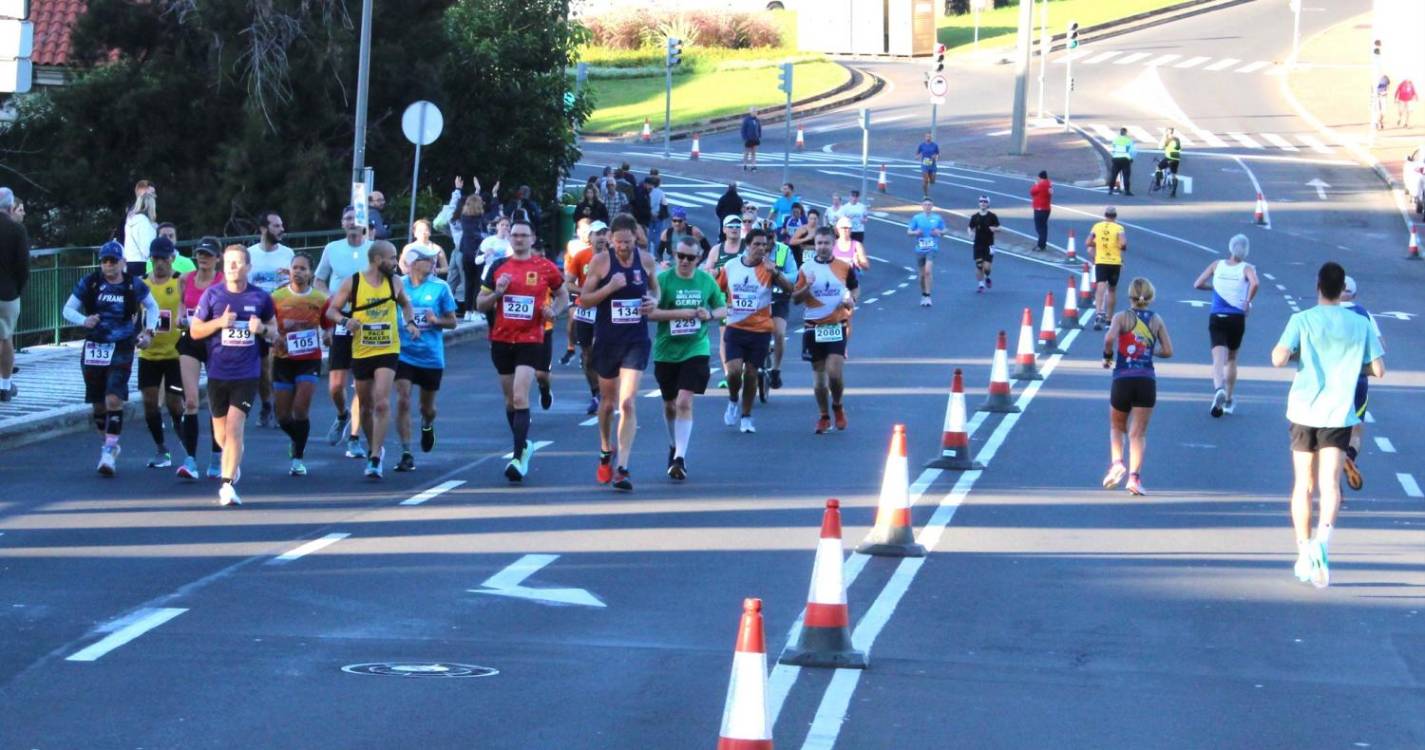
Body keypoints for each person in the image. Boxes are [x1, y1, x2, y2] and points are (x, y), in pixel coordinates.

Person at [1271, 262, 1385, 588]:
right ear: (1342, 290)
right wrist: (1352, 365)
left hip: (1304, 410)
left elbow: (1278, 358)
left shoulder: (1302, 320)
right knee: (1330, 484)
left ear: (1318, 286)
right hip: (1338, 412)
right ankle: (1323, 540)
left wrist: (1299, 355)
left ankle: (1304, 550)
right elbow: (1378, 369)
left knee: (1302, 484)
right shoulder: (1359, 323)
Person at [478, 219, 567, 482]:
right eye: (514, 235)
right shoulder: (497, 267)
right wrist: (498, 293)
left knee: (519, 397)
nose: (518, 239)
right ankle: (524, 445)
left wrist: (555, 311)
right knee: (509, 401)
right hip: (502, 338)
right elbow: (480, 304)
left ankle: (518, 457)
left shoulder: (545, 267)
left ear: (532, 238)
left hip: (531, 339)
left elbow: (563, 296)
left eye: (523, 235)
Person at [325, 241, 422, 479]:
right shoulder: (354, 282)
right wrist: (345, 321)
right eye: (391, 258)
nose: (395, 262)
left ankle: (376, 456)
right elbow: (332, 310)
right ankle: (373, 447)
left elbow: (406, 304)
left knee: (381, 402)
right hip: (361, 349)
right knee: (366, 406)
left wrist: (410, 322)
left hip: (388, 348)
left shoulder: (395, 282)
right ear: (377, 259)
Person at [62, 240, 160, 476]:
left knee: (114, 399)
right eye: (105, 261)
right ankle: (109, 444)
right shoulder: (91, 282)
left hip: (122, 346)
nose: (109, 266)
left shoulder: (132, 285)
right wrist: (84, 321)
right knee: (98, 404)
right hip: (95, 346)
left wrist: (148, 331)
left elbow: (153, 307)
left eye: (114, 261)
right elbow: (67, 310)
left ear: (122, 262)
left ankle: (109, 449)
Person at [188, 245, 275, 506]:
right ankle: (232, 459)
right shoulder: (212, 296)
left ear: (248, 267)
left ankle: (226, 485)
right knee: (221, 434)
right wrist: (219, 323)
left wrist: (261, 328)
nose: (231, 268)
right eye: (228, 263)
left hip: (247, 373)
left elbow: (275, 333)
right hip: (217, 371)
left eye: (237, 263)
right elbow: (195, 331)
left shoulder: (261, 298)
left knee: (235, 426)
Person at [578, 214, 658, 491]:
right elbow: (584, 300)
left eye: (628, 242)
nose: (624, 247)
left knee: (627, 403)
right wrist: (610, 288)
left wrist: (652, 302)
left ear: (636, 238)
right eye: (619, 242)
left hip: (636, 339)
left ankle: (623, 467)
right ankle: (604, 449)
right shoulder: (601, 262)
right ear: (611, 240)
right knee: (608, 404)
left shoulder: (645, 260)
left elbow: (656, 292)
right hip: (608, 340)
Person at [650, 235, 727, 480]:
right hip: (666, 350)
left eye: (689, 257)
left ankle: (680, 458)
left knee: (684, 402)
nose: (683, 261)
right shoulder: (663, 279)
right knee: (670, 405)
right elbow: (650, 313)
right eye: (679, 256)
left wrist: (710, 314)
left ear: (699, 258)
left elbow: (724, 307)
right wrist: (680, 313)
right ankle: (674, 445)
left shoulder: (705, 280)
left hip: (696, 347)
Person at [1100, 277, 1173, 497]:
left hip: (1122, 378)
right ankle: (1134, 479)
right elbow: (1168, 350)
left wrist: (1108, 357)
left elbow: (1109, 338)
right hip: (1146, 381)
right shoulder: (1156, 319)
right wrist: (1152, 352)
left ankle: (1117, 463)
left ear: (1130, 295)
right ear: (1150, 297)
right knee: (1138, 433)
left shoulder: (1121, 317)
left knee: (1116, 426)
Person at [717, 227, 793, 434]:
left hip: (760, 330)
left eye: (764, 245)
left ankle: (746, 416)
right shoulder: (731, 266)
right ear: (747, 246)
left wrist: (775, 272)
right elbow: (717, 289)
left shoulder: (769, 268)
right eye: (756, 244)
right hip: (735, 326)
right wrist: (717, 309)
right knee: (733, 372)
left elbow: (789, 289)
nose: (761, 248)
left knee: (751, 373)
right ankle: (733, 400)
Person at [315, 205, 373, 457]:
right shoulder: (332, 248)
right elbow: (319, 280)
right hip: (340, 317)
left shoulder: (374, 249)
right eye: (347, 218)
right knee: (336, 385)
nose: (351, 222)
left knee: (361, 384)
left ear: (364, 224)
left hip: (368, 318)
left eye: (356, 219)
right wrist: (330, 300)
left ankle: (354, 437)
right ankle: (342, 415)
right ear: (342, 223)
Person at [394, 247, 457, 472]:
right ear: (411, 264)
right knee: (403, 399)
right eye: (425, 260)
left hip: (430, 356)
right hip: (403, 353)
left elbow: (452, 322)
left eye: (433, 260)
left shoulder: (441, 287)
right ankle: (406, 452)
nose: (432, 263)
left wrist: (436, 321)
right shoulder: (397, 285)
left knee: (427, 408)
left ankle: (427, 425)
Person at [270, 253, 328, 477]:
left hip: (309, 359)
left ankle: (298, 457)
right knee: (283, 416)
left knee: (301, 409)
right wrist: (274, 335)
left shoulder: (320, 299)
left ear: (311, 272)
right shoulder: (277, 297)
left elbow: (328, 323)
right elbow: (269, 323)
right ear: (289, 270)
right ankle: (296, 437)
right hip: (283, 359)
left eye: (303, 268)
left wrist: (329, 335)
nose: (298, 272)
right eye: (295, 267)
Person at [795, 227, 856, 433]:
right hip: (813, 328)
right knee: (820, 380)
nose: (822, 247)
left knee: (835, 373)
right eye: (819, 243)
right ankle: (823, 415)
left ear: (833, 244)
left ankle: (837, 406)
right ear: (815, 245)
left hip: (836, 326)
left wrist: (850, 299)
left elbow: (854, 288)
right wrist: (806, 286)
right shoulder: (806, 268)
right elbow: (795, 299)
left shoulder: (844, 266)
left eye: (826, 243)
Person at [1193, 233, 1258, 417]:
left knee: (1217, 359)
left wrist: (1214, 288)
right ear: (1246, 251)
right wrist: (1247, 300)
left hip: (1217, 315)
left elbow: (1197, 284)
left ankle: (1218, 389)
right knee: (1232, 358)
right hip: (1236, 317)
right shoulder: (1247, 268)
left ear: (1230, 248)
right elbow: (1255, 283)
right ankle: (1228, 398)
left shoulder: (1216, 265)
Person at [175, 237, 224, 479]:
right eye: (199, 253)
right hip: (191, 340)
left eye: (208, 254)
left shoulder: (222, 281)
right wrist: (181, 318)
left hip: (216, 342)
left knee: (217, 404)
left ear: (218, 258)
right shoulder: (185, 279)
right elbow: (182, 306)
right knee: (191, 401)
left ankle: (217, 456)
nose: (202, 257)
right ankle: (190, 460)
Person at [136, 237, 186, 469]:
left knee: (175, 403)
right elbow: (134, 317)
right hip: (149, 354)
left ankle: (186, 441)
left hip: (175, 354)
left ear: (172, 258)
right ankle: (161, 448)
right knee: (149, 402)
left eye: (164, 258)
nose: (159, 263)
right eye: (155, 258)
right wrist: (137, 336)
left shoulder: (180, 282)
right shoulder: (141, 284)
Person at [247, 209, 294, 428]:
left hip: (281, 316)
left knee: (277, 364)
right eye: (276, 226)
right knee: (262, 368)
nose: (281, 229)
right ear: (264, 228)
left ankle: (279, 406)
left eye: (281, 225)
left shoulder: (288, 254)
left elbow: (296, 284)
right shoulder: (250, 254)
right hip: (256, 318)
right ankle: (266, 402)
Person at [1340, 276, 1385, 492]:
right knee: (1356, 427)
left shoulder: (1321, 313)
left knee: (1326, 429)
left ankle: (1330, 480)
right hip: (1357, 378)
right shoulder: (1363, 314)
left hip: (1327, 380)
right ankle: (1348, 457)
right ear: (1354, 294)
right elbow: (1380, 345)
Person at [565, 221, 606, 414]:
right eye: (597, 234)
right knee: (588, 355)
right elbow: (568, 283)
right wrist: (586, 292)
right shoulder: (581, 256)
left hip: (605, 312)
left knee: (601, 350)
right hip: (585, 310)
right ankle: (596, 393)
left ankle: (607, 389)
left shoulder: (614, 258)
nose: (601, 237)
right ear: (590, 238)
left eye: (604, 233)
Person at [0, 187, 27, 402]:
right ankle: (5, 385)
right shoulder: (16, 230)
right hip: (8, 293)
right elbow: (23, 267)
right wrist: (18, 289)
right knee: (6, 337)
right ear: (11, 207)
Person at [1086, 206, 1126, 330]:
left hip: (1101, 261)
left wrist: (1097, 244)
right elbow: (1123, 243)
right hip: (1114, 262)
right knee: (1112, 290)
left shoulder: (1097, 226)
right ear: (1115, 216)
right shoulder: (1119, 228)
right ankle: (1109, 319)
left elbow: (1088, 242)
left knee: (1100, 287)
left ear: (1105, 215)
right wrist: (1120, 247)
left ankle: (1099, 313)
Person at [906, 198, 947, 306]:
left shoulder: (937, 218)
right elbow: (909, 232)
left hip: (932, 247)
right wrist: (916, 232)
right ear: (922, 206)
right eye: (926, 204)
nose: (928, 206)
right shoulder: (917, 218)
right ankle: (923, 294)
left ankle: (928, 296)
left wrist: (939, 232)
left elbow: (945, 231)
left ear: (932, 206)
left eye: (929, 204)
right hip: (920, 248)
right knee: (922, 275)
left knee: (928, 271)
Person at [967, 195, 1000, 293]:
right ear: (979, 203)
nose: (983, 203)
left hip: (989, 244)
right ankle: (981, 285)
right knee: (979, 265)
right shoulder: (975, 217)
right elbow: (970, 227)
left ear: (988, 204)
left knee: (987, 267)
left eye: (985, 202)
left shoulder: (992, 216)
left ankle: (987, 276)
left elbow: (999, 228)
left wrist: (995, 229)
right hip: (978, 244)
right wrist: (970, 233)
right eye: (981, 201)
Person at [123, 191, 158, 279]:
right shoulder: (145, 222)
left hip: (129, 262)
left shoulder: (129, 221)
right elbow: (146, 249)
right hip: (141, 264)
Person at [1108, 127, 1135, 196]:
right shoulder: (1128, 140)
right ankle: (1127, 191)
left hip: (1116, 158)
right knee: (1126, 175)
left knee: (1114, 175)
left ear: (1120, 132)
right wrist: (1131, 158)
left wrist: (1114, 156)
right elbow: (1132, 151)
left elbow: (1113, 149)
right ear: (1126, 133)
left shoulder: (1115, 140)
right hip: (1125, 159)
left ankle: (1110, 189)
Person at [1029, 170, 1052, 252]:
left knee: (1039, 228)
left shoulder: (1040, 185)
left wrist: (1036, 184)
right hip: (1047, 208)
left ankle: (1040, 245)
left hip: (1039, 209)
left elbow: (1032, 192)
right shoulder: (1049, 184)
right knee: (1044, 227)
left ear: (1040, 177)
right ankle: (1043, 244)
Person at [916, 133, 940, 197]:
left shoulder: (935, 145)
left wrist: (936, 157)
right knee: (925, 180)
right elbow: (917, 153)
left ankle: (931, 180)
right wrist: (917, 157)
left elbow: (938, 154)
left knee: (932, 181)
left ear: (931, 138)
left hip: (932, 164)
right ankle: (925, 194)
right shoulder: (922, 145)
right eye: (927, 136)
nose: (928, 138)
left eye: (929, 136)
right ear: (925, 137)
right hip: (925, 164)